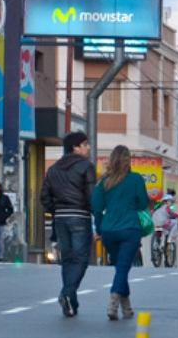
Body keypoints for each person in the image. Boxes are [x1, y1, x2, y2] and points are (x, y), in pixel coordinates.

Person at [40, 131, 96, 317]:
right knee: (80, 259)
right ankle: (67, 293)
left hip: (60, 218)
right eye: (85, 144)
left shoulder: (53, 169)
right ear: (75, 147)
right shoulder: (86, 166)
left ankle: (71, 303)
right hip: (80, 216)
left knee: (67, 260)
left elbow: (44, 197)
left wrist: (56, 210)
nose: (88, 148)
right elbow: (91, 196)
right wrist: (95, 213)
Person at [92, 145, 149, 321]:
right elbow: (143, 203)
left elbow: (96, 207)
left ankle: (127, 308)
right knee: (123, 268)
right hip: (130, 229)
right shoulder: (136, 179)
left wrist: (99, 228)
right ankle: (113, 303)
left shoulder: (103, 181)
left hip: (109, 230)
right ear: (128, 160)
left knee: (120, 268)